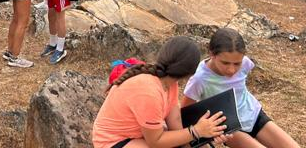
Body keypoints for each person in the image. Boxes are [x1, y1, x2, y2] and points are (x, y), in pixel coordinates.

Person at [92, 36, 230, 148]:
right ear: (190, 73)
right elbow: (156, 141)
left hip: (138, 136)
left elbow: (176, 126)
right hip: (112, 141)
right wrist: (196, 131)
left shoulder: (170, 84)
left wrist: (205, 139)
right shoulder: (148, 91)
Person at [182, 28, 299, 147]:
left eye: (237, 63)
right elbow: (185, 113)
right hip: (229, 127)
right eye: (225, 63)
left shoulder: (245, 63)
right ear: (212, 54)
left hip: (253, 115)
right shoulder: (199, 79)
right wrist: (205, 135)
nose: (232, 70)